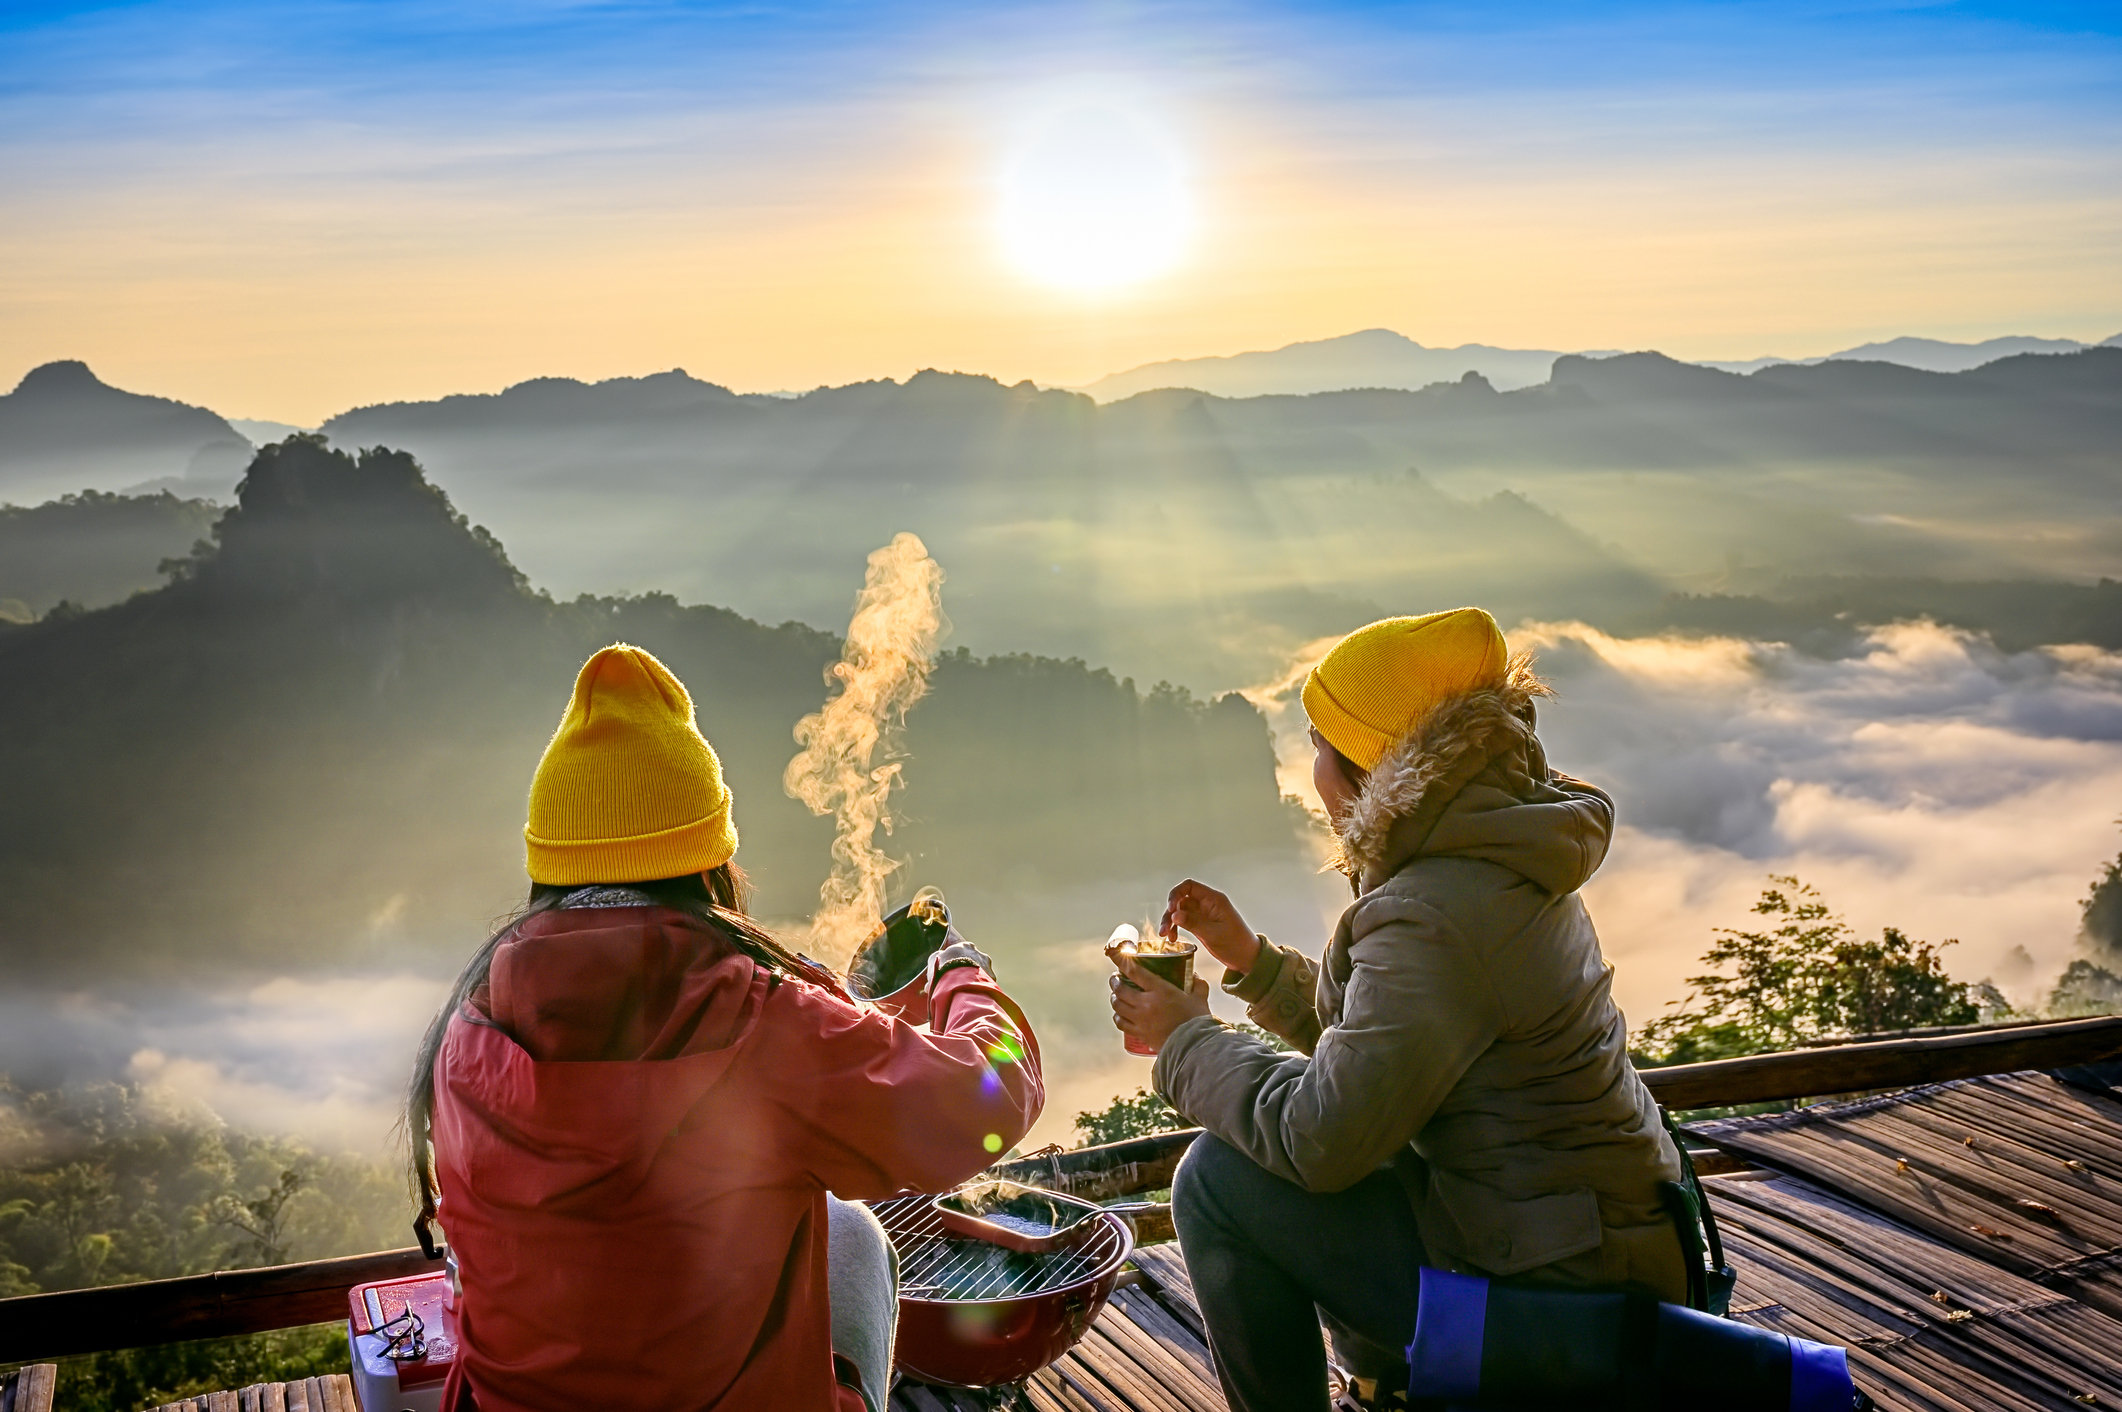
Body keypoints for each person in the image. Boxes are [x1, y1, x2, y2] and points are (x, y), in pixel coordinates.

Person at [406, 644, 1043, 1412]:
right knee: (855, 1236)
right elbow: (991, 1097)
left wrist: (844, 1004)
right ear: (707, 864)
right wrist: (965, 979)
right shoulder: (759, 1023)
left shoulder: (471, 1022)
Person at [1109, 608, 1686, 1412]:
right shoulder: (1498, 846)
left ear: (1374, 768)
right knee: (1359, 1155)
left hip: (1564, 1298)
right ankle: (1392, 1384)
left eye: (1317, 746)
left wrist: (1183, 1042)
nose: (1309, 773)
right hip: (1591, 1241)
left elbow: (1322, 1139)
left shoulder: (1435, 910)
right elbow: (1389, 1061)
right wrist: (1254, 961)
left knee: (1218, 1180)